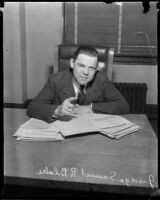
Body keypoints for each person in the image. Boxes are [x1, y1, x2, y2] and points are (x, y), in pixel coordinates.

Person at [27, 45, 130, 123]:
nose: (86, 72)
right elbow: (33, 108)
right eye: (81, 65)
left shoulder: (101, 79)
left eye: (91, 68)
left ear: (96, 68)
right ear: (72, 63)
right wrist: (57, 110)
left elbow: (123, 106)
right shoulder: (56, 80)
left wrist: (90, 107)